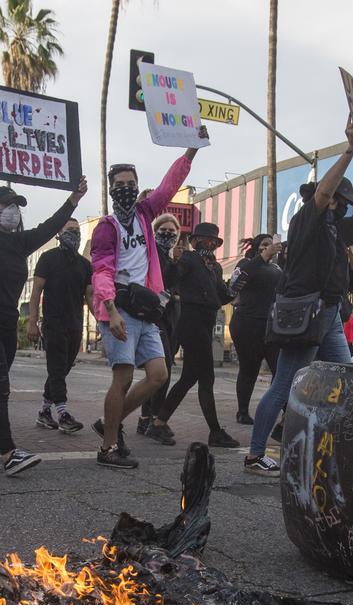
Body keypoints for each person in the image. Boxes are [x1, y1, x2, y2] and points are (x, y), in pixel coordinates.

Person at [243, 118, 353, 476]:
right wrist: (349, 150)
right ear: (329, 199)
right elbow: (324, 194)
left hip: (327, 317)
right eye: (341, 201)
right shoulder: (306, 220)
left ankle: (327, 446)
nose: (345, 207)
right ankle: (254, 454)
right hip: (305, 315)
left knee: (347, 378)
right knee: (284, 385)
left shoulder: (334, 228)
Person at [0, 152, 87, 476]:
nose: (12, 211)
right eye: (6, 204)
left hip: (6, 327)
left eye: (16, 206)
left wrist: (74, 199)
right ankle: (10, 453)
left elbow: (52, 225)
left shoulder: (21, 242)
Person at [91, 128, 208, 469]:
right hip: (119, 310)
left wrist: (191, 150)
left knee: (158, 375)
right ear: (112, 190)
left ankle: (109, 423)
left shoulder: (146, 213)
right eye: (120, 185)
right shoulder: (106, 227)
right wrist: (110, 311)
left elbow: (169, 186)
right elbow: (100, 271)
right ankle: (108, 447)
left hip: (146, 310)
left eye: (131, 184)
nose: (126, 190)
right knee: (123, 377)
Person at [149, 222, 236, 447]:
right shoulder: (189, 259)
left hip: (207, 321)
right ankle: (215, 432)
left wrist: (235, 288)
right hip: (191, 321)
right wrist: (174, 262)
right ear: (195, 242)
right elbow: (170, 281)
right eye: (205, 241)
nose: (210, 245)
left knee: (189, 378)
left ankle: (158, 423)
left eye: (213, 242)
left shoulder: (215, 267)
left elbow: (221, 296)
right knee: (206, 378)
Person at [28, 219, 93, 434]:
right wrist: (32, 322)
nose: (74, 234)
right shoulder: (48, 259)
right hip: (53, 323)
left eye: (76, 231)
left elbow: (90, 296)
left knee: (61, 370)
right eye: (69, 231)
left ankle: (44, 412)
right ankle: (63, 414)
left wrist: (103, 321)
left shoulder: (85, 265)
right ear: (59, 233)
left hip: (75, 325)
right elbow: (36, 291)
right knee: (56, 368)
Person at [136, 213, 184, 443]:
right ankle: (154, 418)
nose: (167, 234)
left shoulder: (172, 257)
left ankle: (145, 417)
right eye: (162, 230)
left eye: (172, 232)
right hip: (153, 319)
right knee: (162, 371)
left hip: (171, 320)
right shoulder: (150, 255)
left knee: (158, 372)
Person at [229, 233, 283, 422]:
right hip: (247, 325)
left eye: (272, 244)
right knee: (249, 369)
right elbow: (234, 285)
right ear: (256, 247)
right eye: (264, 244)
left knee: (280, 369)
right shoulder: (246, 263)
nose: (269, 247)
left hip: (271, 327)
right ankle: (242, 412)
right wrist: (262, 257)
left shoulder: (277, 267)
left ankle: (284, 412)